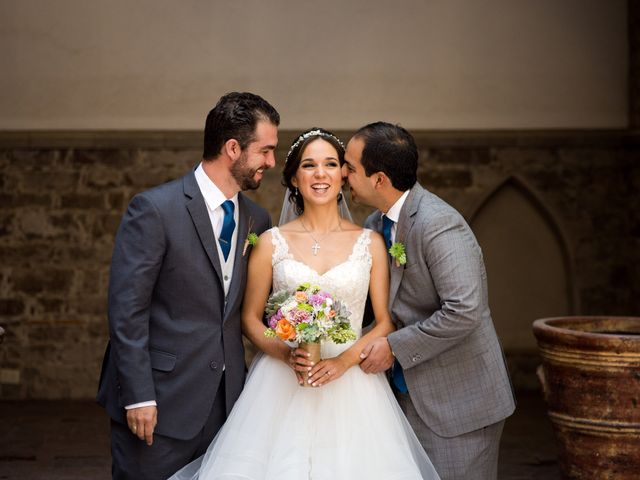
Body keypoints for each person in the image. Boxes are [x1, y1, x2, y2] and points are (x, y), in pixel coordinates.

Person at [169, 128, 440, 479]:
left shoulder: (370, 242)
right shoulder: (270, 242)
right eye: (309, 165)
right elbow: (250, 319)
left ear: (343, 176)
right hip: (280, 382)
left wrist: (342, 362)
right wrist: (286, 354)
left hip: (352, 383)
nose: (320, 173)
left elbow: (385, 322)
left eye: (330, 164)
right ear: (294, 177)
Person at [96, 92, 280, 479]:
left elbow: (259, 308)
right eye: (265, 151)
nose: (271, 162)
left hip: (228, 408)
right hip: (159, 405)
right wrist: (139, 395)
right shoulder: (155, 210)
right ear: (233, 148)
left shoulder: (257, 220)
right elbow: (127, 312)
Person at [344, 122, 516, 480]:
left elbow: (464, 311)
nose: (342, 175)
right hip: (407, 397)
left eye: (349, 167)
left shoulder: (439, 224)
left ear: (379, 179)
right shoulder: (376, 223)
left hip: (460, 403)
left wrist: (392, 347)